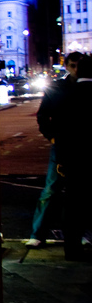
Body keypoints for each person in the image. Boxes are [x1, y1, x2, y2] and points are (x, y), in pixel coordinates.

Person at [25, 52, 84, 248]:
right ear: (66, 66)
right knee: (51, 189)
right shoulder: (58, 88)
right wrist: (52, 136)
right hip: (62, 146)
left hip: (84, 146)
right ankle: (38, 234)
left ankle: (81, 233)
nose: (76, 69)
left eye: (79, 66)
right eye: (73, 65)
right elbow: (43, 116)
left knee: (83, 192)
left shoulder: (87, 86)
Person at [54, 55, 92, 261]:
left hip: (74, 160)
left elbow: (59, 130)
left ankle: (72, 248)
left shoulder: (67, 95)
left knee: (73, 205)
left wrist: (61, 159)